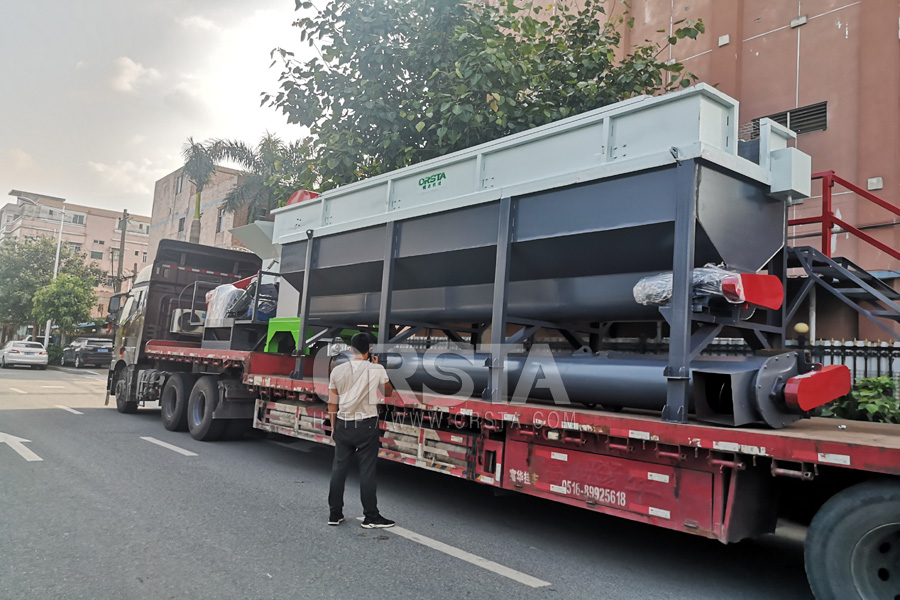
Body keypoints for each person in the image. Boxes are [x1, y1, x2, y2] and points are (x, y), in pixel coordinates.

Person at [327, 332, 395, 528]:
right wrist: (377, 367)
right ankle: (371, 516)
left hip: (343, 423)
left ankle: (335, 514)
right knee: (367, 471)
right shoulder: (376, 369)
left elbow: (332, 403)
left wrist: (333, 427)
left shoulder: (337, 371)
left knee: (339, 469)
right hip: (366, 425)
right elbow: (388, 393)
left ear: (351, 349)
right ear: (370, 349)